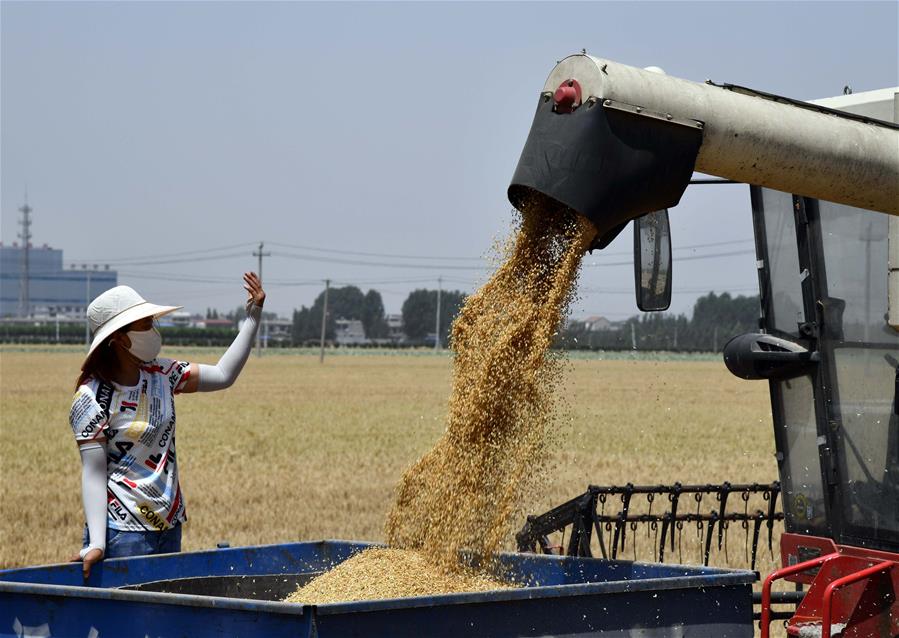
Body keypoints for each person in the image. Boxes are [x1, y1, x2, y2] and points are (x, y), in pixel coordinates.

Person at [68, 272, 266, 578]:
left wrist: (252, 317)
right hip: (124, 535)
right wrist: (97, 542)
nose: (153, 331)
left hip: (169, 526)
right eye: (145, 325)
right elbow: (93, 472)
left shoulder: (163, 373)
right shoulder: (91, 398)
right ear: (119, 337)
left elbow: (224, 374)